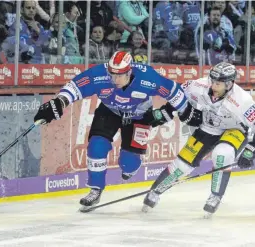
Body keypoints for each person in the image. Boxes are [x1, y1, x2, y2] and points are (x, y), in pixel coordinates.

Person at [33, 51, 202, 209]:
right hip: (109, 111)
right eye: (111, 74)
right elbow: (75, 87)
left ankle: (131, 164)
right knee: (96, 146)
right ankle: (95, 189)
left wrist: (185, 110)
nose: (114, 78)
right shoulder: (100, 74)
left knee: (127, 164)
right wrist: (58, 103)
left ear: (129, 72)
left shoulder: (148, 77)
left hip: (139, 115)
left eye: (119, 75)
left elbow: (174, 91)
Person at [141, 62, 255, 218]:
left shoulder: (243, 100)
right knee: (181, 165)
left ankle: (215, 196)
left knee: (222, 154)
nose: (213, 86)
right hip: (208, 128)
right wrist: (165, 114)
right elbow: (178, 97)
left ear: (229, 84)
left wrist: (250, 150)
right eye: (212, 81)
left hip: (235, 130)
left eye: (218, 83)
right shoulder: (198, 85)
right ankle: (155, 191)